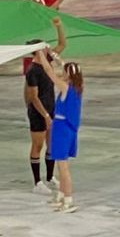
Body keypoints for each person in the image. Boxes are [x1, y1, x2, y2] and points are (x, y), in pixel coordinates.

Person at [24, 17, 66, 196]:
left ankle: (49, 177)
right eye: (44, 48)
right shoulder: (32, 71)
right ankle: (37, 182)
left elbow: (62, 44)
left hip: (51, 108)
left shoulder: (47, 63)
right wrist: (46, 116)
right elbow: (33, 98)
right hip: (38, 112)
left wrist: (59, 26)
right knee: (38, 145)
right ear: (36, 52)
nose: (48, 49)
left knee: (51, 145)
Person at [36, 51, 82, 212]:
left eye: (64, 72)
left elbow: (49, 72)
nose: (62, 73)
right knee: (60, 165)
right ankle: (61, 197)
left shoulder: (65, 87)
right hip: (66, 129)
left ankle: (68, 201)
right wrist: (56, 57)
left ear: (68, 76)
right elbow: (66, 68)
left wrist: (41, 55)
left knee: (63, 167)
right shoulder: (76, 87)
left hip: (62, 130)